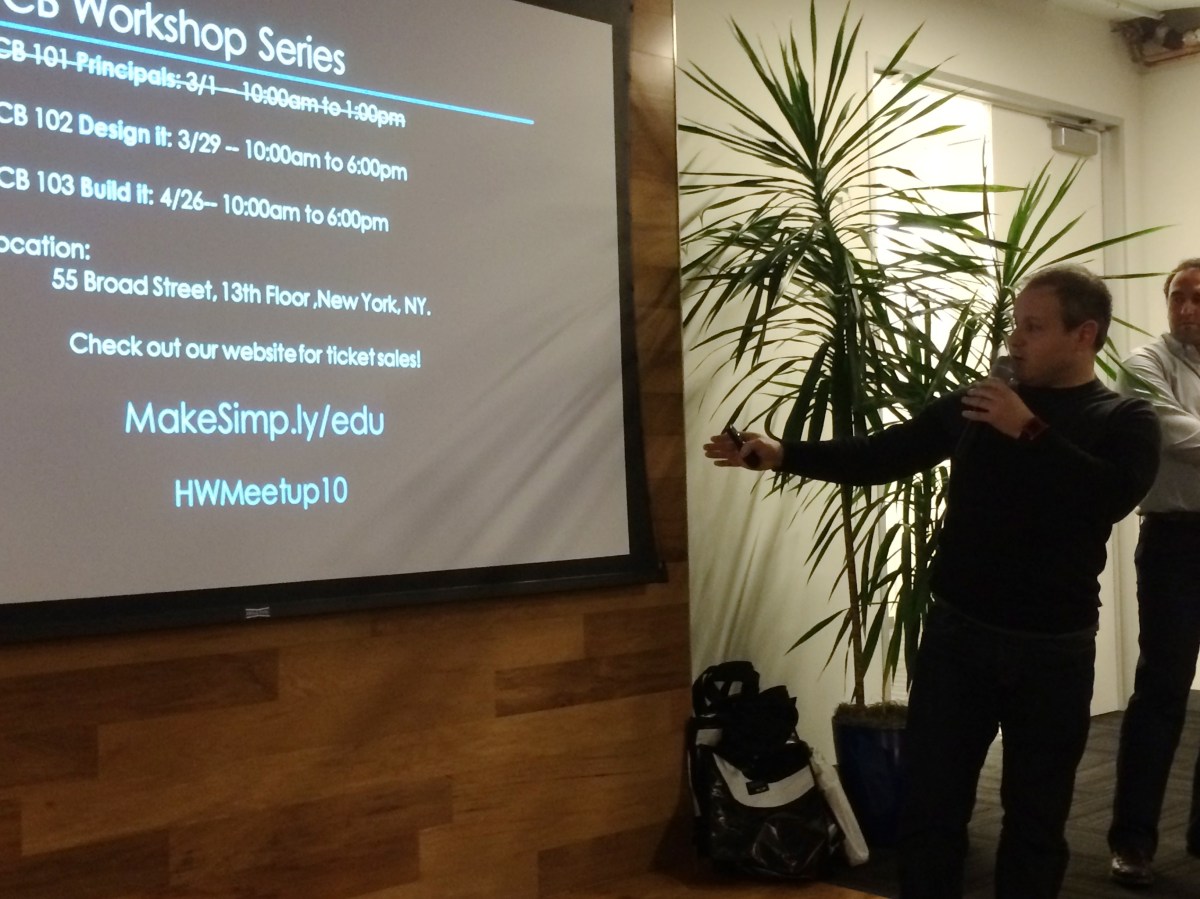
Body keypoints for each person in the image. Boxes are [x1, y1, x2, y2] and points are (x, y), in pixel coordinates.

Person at [704, 265, 1161, 899]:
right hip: (959, 638)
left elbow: (1107, 497)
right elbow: (886, 454)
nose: (1014, 340)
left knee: (1036, 822)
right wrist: (785, 453)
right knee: (931, 812)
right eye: (1015, 324)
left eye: (1033, 327)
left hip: (1053, 652)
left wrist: (1027, 429)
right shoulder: (982, 404)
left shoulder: (1124, 417)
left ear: (1084, 334)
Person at [1108, 258, 1200, 889]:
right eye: (1177, 296)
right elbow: (1180, 438)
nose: (1187, 308)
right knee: (1162, 694)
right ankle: (1132, 842)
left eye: (1199, 297)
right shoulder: (1143, 363)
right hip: (1177, 542)